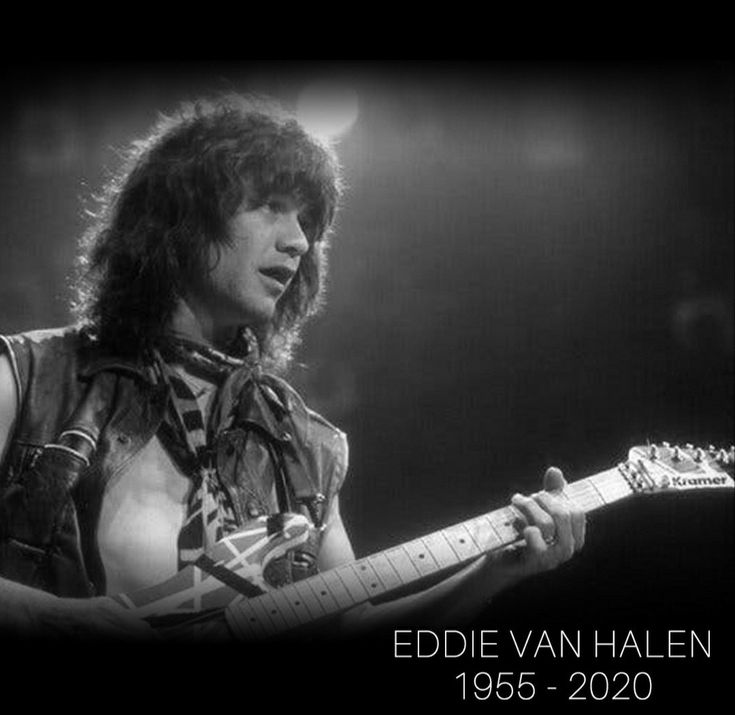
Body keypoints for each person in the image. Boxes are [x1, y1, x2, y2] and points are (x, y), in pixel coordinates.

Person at [0, 94, 585, 640]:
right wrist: (56, 620)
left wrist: (492, 572)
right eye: (272, 207)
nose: (300, 240)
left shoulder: (304, 444)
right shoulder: (31, 378)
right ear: (179, 215)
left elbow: (350, 628)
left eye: (308, 221)